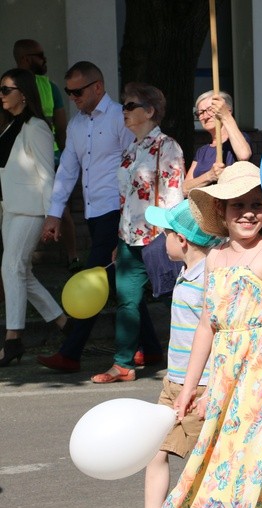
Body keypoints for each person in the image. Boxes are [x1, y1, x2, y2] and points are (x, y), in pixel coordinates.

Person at [163, 162, 262, 508]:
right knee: (225, 460)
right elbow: (207, 326)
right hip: (227, 378)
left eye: (257, 205)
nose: (249, 214)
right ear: (221, 210)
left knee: (257, 462)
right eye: (239, 205)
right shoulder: (215, 258)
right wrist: (190, 388)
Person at [35, 61, 151, 374]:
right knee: (119, 279)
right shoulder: (75, 126)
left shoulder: (119, 117)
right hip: (94, 212)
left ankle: (71, 351)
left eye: (78, 91)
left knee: (93, 278)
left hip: (118, 210)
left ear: (97, 87)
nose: (72, 97)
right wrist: (54, 215)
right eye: (69, 91)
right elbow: (67, 171)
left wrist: (131, 215)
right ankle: (150, 347)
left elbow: (135, 166)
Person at [90, 82, 185, 383]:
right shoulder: (131, 149)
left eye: (130, 106)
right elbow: (126, 199)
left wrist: (172, 234)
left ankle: (195, 357)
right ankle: (123, 363)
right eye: (124, 106)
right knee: (127, 302)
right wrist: (120, 237)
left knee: (177, 300)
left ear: (150, 111)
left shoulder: (167, 146)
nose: (124, 112)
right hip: (130, 238)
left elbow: (174, 194)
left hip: (158, 237)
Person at [142, 200, 220, 508]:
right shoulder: (186, 272)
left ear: (182, 240)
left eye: (166, 234)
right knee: (155, 451)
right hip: (173, 383)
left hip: (200, 387)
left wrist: (210, 389)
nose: (163, 241)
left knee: (200, 462)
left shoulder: (208, 279)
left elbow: (216, 335)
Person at [0, 68, 68, 367]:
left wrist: (52, 216)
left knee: (12, 267)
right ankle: (66, 324)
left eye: (5, 89)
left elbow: (46, 174)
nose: (1, 95)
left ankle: (13, 338)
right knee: (21, 273)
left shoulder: (36, 126)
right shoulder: (11, 126)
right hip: (11, 209)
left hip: (30, 210)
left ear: (23, 94)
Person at [13, 39, 80, 271]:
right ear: (25, 59)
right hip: (23, 162)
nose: (45, 59)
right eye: (39, 55)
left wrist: (67, 161)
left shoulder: (49, 87)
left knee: (60, 208)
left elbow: (61, 129)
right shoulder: (10, 87)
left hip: (47, 159)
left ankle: (73, 258)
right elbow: (60, 127)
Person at [181, 90, 251, 194]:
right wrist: (209, 176)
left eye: (210, 110)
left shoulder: (239, 139)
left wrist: (226, 116)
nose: (205, 116)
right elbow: (184, 189)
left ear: (227, 110)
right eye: (200, 113)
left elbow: (244, 155)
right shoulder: (202, 151)